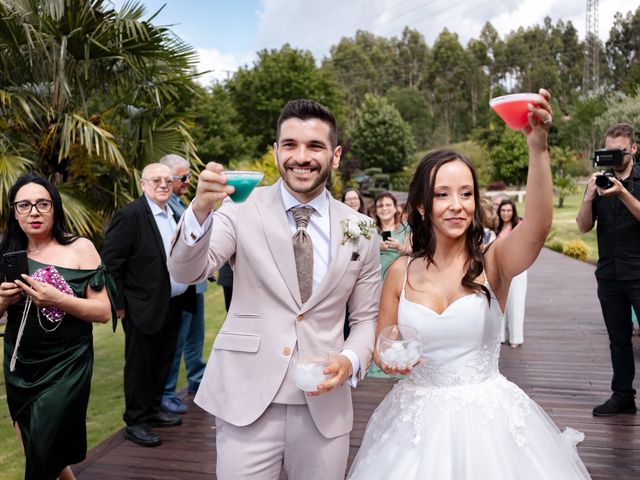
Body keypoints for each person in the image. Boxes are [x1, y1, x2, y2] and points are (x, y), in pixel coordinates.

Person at [348, 89, 592, 479]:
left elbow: (539, 227)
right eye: (442, 195)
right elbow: (383, 348)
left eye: (466, 194)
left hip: (489, 426)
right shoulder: (399, 272)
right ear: (423, 206)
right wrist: (391, 359)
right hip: (414, 427)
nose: (456, 205)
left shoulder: (494, 261)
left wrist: (538, 148)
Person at [168, 99, 381, 479]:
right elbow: (187, 270)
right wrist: (199, 209)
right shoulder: (239, 209)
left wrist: (349, 360)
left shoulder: (361, 228)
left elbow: (367, 319)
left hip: (324, 406)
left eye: (314, 146)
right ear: (276, 151)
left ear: (334, 156)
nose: (301, 157)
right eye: (290, 145)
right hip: (246, 400)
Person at [0, 174, 115, 480]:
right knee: (35, 448)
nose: (33, 212)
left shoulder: (80, 248)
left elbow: (103, 312)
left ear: (55, 208)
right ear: (14, 210)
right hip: (20, 363)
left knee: (43, 449)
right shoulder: (7, 255)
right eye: (24, 205)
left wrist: (58, 299)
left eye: (42, 204)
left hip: (67, 362)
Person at [101, 163, 193, 447]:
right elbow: (110, 264)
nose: (164, 184)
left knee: (163, 362)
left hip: (173, 303)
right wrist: (118, 305)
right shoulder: (130, 216)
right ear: (143, 184)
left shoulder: (174, 212)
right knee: (140, 366)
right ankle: (136, 421)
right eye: (157, 180)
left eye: (169, 180)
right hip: (141, 306)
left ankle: (153, 411)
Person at [576, 122, 640, 417]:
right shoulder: (601, 181)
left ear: (633, 149)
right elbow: (583, 225)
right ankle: (623, 395)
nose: (613, 157)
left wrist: (622, 193)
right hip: (610, 274)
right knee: (618, 339)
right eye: (608, 151)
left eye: (619, 152)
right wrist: (590, 195)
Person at [157, 154, 208, 415]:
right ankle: (167, 392)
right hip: (179, 287)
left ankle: (198, 380)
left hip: (195, 285)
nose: (188, 181)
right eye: (184, 177)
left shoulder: (182, 204)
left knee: (195, 340)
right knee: (176, 343)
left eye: (189, 176)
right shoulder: (167, 207)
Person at [496, 197, 528, 347]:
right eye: (503, 210)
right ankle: (500, 336)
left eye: (508, 210)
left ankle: (515, 338)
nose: (505, 213)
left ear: (513, 211)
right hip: (499, 270)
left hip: (517, 269)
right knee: (499, 304)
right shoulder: (496, 228)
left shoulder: (519, 226)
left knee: (516, 303)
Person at [374, 191, 410, 280]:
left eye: (388, 205)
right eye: (380, 206)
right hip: (376, 280)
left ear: (395, 208)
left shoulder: (405, 227)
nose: (384, 208)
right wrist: (375, 247)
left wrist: (399, 247)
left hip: (399, 277)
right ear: (376, 210)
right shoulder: (371, 230)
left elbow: (414, 255)